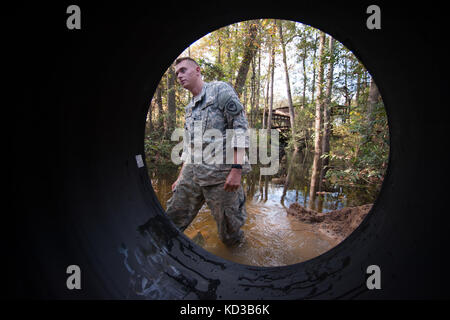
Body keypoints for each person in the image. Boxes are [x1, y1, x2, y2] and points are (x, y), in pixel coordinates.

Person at [165, 57, 250, 247]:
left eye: (183, 70)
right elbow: (189, 146)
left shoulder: (220, 90)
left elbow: (240, 128)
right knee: (172, 218)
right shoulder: (189, 108)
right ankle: (164, 256)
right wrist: (180, 176)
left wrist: (237, 170)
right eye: (177, 73)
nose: (179, 76)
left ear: (197, 70)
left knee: (230, 234)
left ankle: (238, 261)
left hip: (221, 176)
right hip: (193, 172)